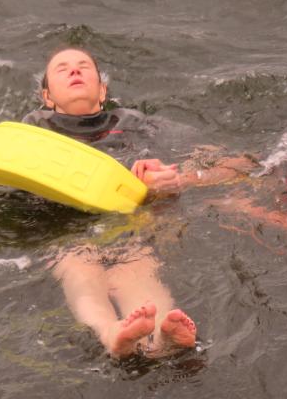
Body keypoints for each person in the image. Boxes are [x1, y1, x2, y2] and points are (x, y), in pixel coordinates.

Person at [23, 46, 196, 358]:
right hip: (70, 232)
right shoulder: (33, 132)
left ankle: (159, 340)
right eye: (62, 68)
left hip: (127, 228)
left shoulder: (135, 124)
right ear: (47, 97)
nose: (74, 70)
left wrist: (168, 179)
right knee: (79, 269)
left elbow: (213, 159)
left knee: (137, 267)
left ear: (102, 91)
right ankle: (110, 332)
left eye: (84, 66)